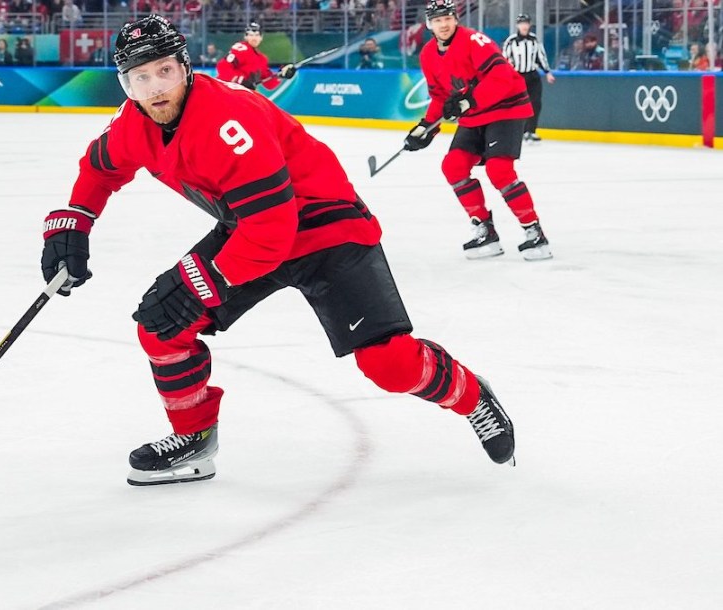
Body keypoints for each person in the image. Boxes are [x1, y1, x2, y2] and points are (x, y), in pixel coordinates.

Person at [39, 15, 516, 486]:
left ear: (185, 67)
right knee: (161, 326)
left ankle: (473, 396)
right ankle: (194, 437)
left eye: (164, 71)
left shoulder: (228, 119)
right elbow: (100, 169)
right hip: (248, 227)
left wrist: (204, 283)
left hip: (324, 226)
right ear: (126, 85)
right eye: (140, 78)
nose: (155, 88)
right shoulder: (133, 122)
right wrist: (74, 221)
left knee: (388, 365)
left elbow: (273, 230)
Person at [403, 0, 551, 261]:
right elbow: (440, 97)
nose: (443, 24)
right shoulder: (428, 54)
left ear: (456, 19)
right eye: (437, 20)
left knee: (499, 169)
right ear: (429, 25)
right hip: (475, 114)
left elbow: (502, 76)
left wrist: (470, 100)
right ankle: (485, 230)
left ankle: (533, 231)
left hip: (506, 108)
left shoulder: (474, 41)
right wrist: (426, 127)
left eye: (447, 18)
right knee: (453, 166)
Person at [502, 14, 555, 142]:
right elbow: (504, 59)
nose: (524, 26)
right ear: (517, 25)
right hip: (518, 76)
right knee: (518, 105)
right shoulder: (511, 41)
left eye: (526, 23)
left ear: (529, 25)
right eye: (521, 23)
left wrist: (547, 72)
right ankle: (519, 131)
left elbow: (541, 57)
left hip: (532, 75)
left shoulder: (534, 40)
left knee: (535, 103)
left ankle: (531, 131)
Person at [215, 22, 296, 90]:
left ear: (261, 37)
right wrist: (241, 81)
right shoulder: (242, 48)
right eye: (251, 35)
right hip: (225, 91)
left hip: (242, 96)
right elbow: (222, 66)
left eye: (257, 35)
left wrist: (280, 75)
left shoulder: (262, 59)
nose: (254, 38)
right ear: (245, 37)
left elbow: (269, 84)